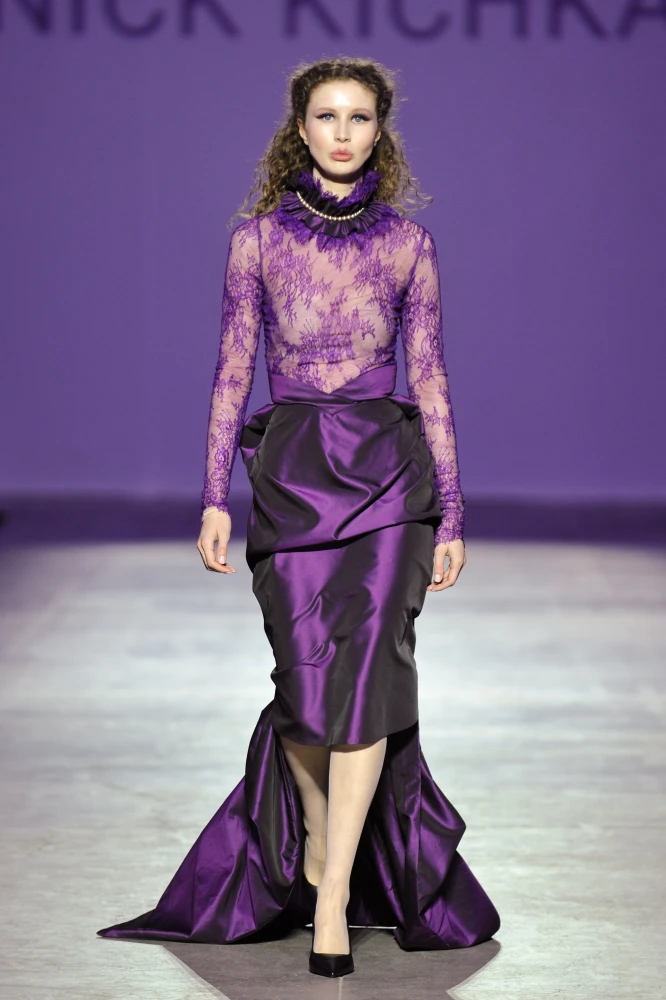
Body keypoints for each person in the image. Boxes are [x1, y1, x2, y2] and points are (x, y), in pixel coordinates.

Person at [97, 56, 500, 978]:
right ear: (300, 127)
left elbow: (431, 377)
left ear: (380, 131)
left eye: (360, 117)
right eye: (327, 116)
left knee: (369, 682)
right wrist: (213, 496)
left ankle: (331, 898)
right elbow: (231, 371)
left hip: (390, 483)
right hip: (292, 477)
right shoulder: (256, 243)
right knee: (305, 689)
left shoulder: (410, 246)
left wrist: (451, 513)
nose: (343, 133)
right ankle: (319, 843)